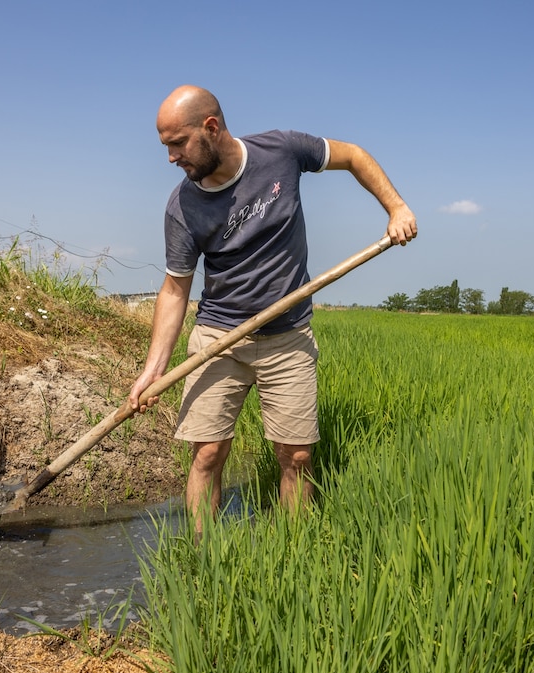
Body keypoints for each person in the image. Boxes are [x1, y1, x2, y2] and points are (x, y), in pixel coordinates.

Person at [128, 85, 416, 533]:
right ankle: (205, 559)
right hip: (218, 340)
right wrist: (153, 369)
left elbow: (354, 155)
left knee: (296, 455)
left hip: (288, 337)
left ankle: (294, 553)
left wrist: (396, 208)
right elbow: (174, 290)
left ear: (211, 127)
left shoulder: (282, 151)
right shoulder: (182, 207)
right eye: (165, 146)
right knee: (206, 452)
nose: (171, 158)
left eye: (177, 143)